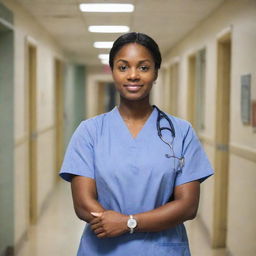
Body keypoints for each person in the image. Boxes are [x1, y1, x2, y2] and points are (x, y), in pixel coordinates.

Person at [60, 32, 214, 256]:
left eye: (143, 67)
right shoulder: (90, 131)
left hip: (162, 249)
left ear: (155, 73)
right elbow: (83, 203)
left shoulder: (181, 132)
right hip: (103, 248)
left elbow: (188, 206)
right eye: (123, 67)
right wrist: (113, 222)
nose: (133, 75)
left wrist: (128, 223)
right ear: (112, 71)